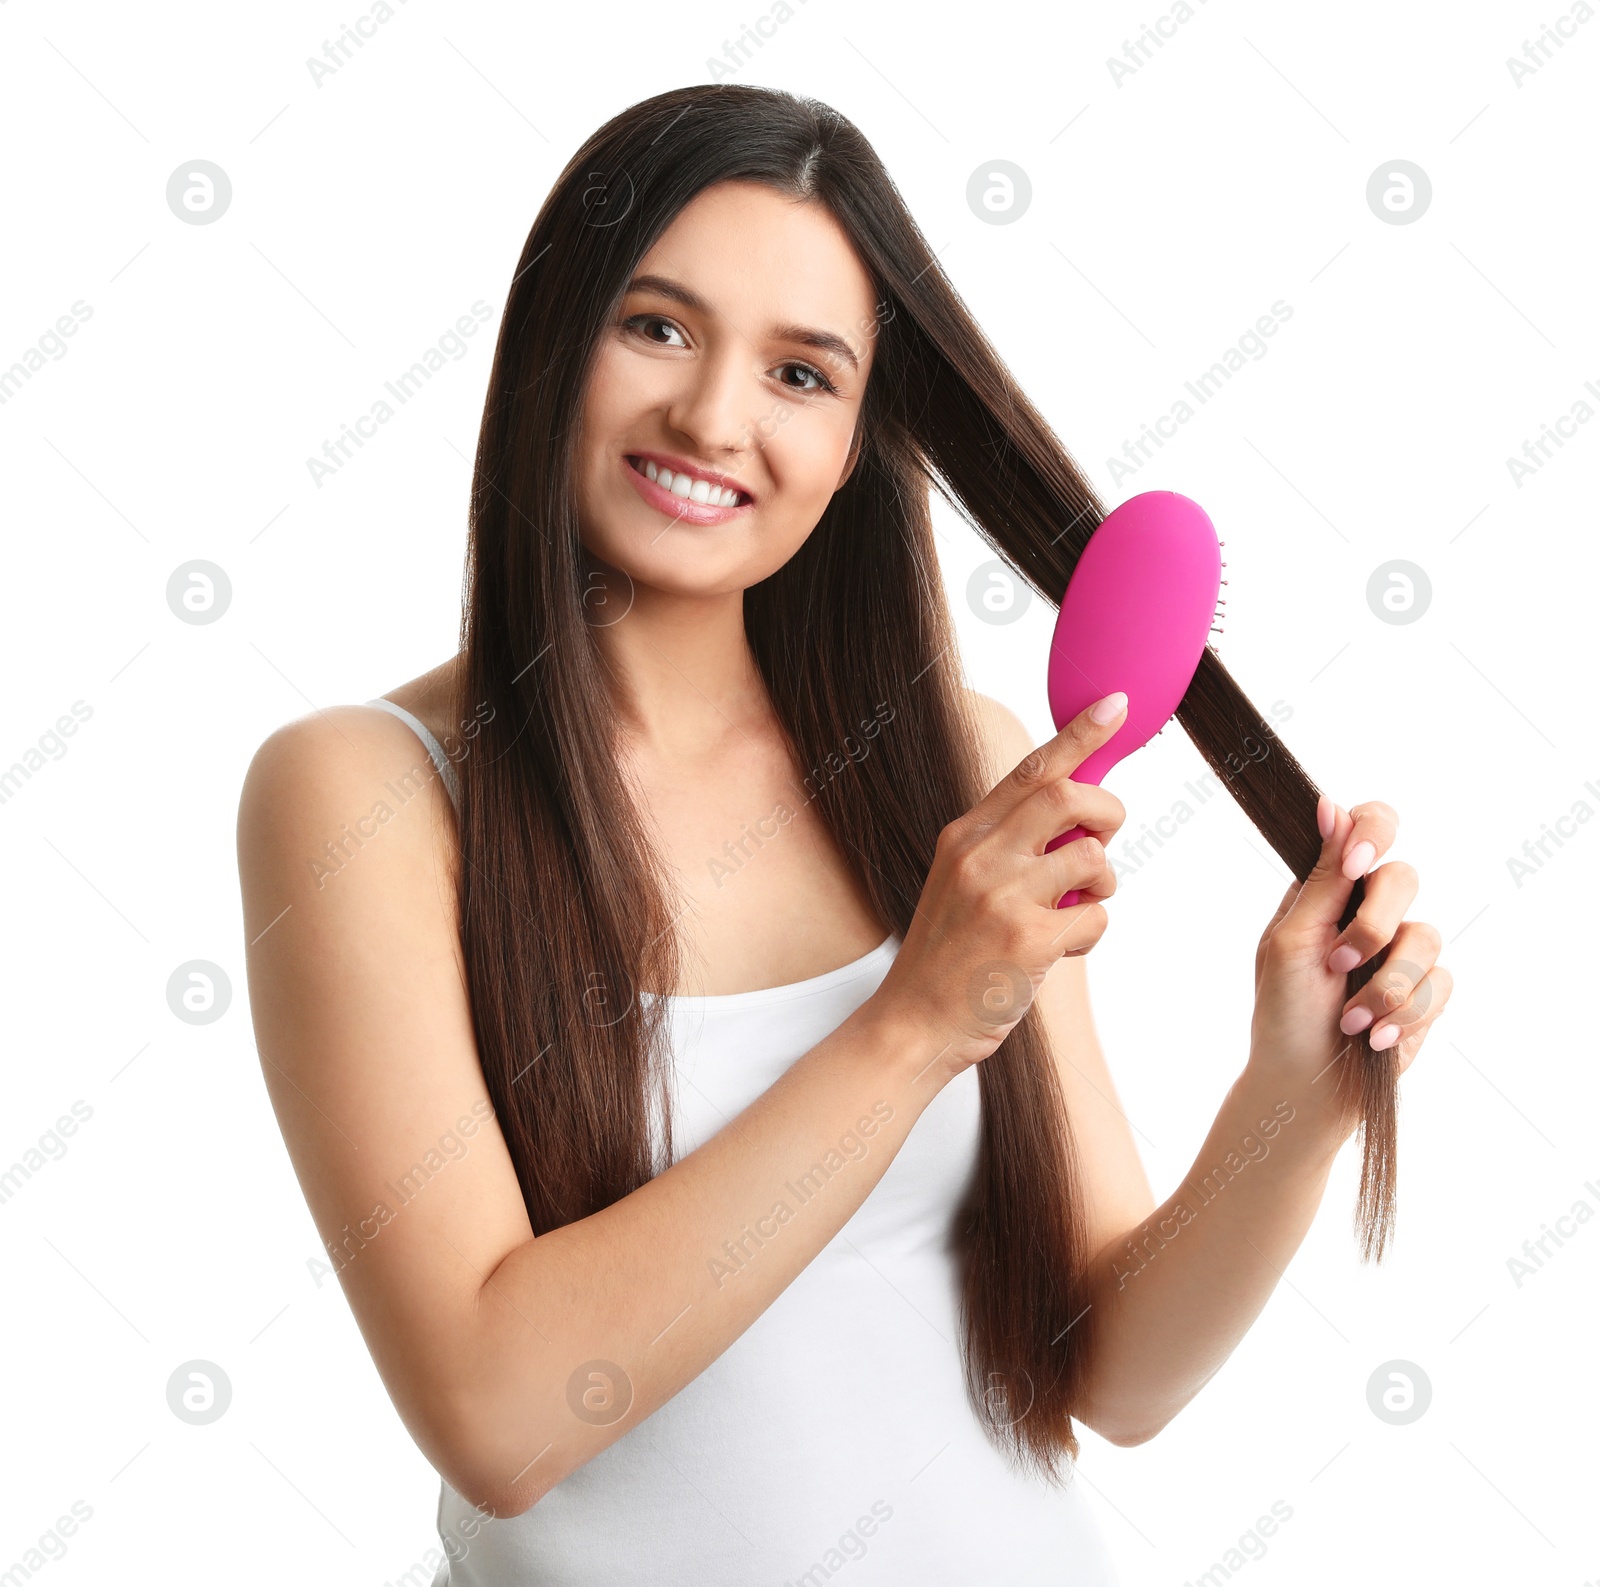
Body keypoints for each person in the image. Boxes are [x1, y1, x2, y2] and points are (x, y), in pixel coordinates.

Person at [236, 85, 1451, 1585]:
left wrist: (1300, 1088)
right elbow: (499, 1414)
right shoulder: (367, 793)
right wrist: (919, 1018)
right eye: (658, 327)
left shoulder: (964, 766)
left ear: (864, 429)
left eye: (802, 373)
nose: (713, 417)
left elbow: (1115, 1375)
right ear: (553, 339)